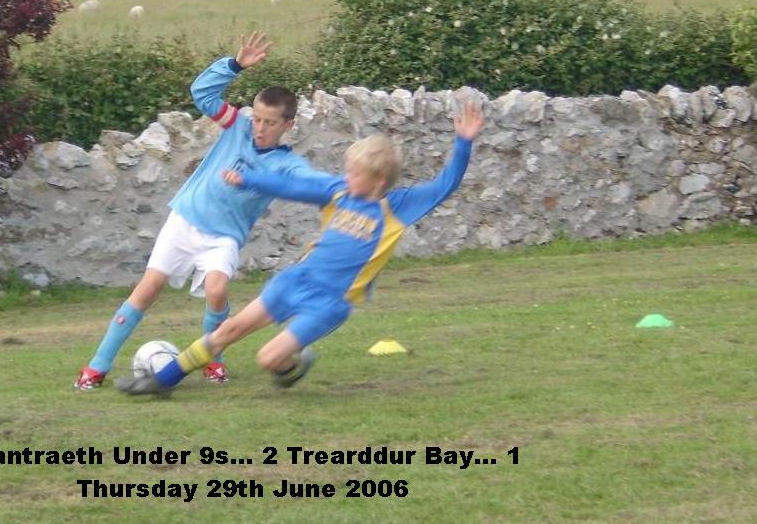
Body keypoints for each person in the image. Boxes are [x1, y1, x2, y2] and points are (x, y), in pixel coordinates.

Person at [116, 103, 485, 396]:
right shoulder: (337, 192)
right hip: (295, 280)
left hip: (329, 303)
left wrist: (463, 143)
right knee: (230, 329)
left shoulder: (398, 208)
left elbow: (445, 185)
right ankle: (161, 381)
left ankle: (292, 367)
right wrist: (247, 179)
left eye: (355, 172)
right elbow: (289, 187)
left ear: (378, 180)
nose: (347, 176)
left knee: (268, 358)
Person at [74, 32, 323, 390]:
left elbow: (311, 181)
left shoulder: (285, 163)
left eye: (270, 123)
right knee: (147, 289)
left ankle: (213, 360)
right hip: (185, 219)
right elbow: (202, 94)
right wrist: (234, 65)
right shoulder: (237, 125)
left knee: (217, 290)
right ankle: (96, 368)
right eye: (257, 119)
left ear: (288, 125)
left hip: (223, 237)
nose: (260, 128)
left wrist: (348, 191)